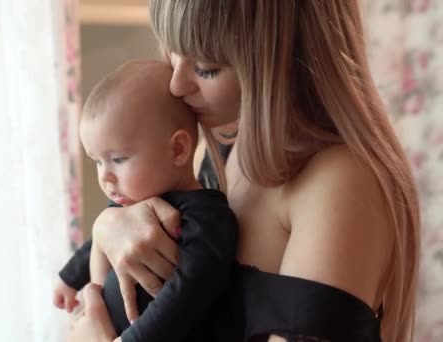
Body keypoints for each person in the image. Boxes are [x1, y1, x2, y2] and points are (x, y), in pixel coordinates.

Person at [67, 1, 421, 341]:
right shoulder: (222, 153)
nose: (177, 84)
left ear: (286, 59)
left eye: (206, 67)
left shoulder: (340, 181)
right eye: (174, 51)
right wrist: (107, 228)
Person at [54, 59, 239, 341]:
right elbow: (97, 240)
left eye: (118, 159)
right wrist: (69, 278)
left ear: (178, 149)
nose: (106, 177)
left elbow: (186, 296)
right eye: (97, 162)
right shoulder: (130, 203)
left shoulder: (206, 217)